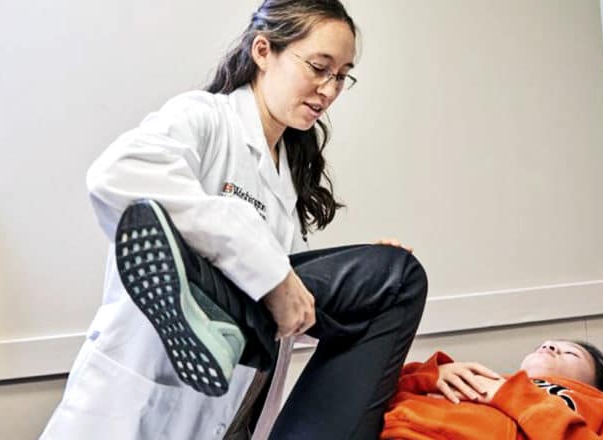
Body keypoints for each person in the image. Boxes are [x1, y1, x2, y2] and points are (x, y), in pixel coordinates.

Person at [41, 1, 428, 439]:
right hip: (135, 415)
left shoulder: (287, 177)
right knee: (391, 278)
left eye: (341, 75)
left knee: (389, 276)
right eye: (319, 67)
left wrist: (363, 292)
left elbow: (287, 321)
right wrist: (269, 273)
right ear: (263, 51)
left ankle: (234, 304)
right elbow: (117, 174)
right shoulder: (206, 118)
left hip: (232, 415)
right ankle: (227, 299)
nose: (330, 88)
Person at [382, 340, 603, 439]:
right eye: (545, 345)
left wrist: (515, 398)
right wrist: (431, 375)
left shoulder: (599, 406)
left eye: (571, 353)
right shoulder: (485, 377)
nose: (549, 346)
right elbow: (375, 391)